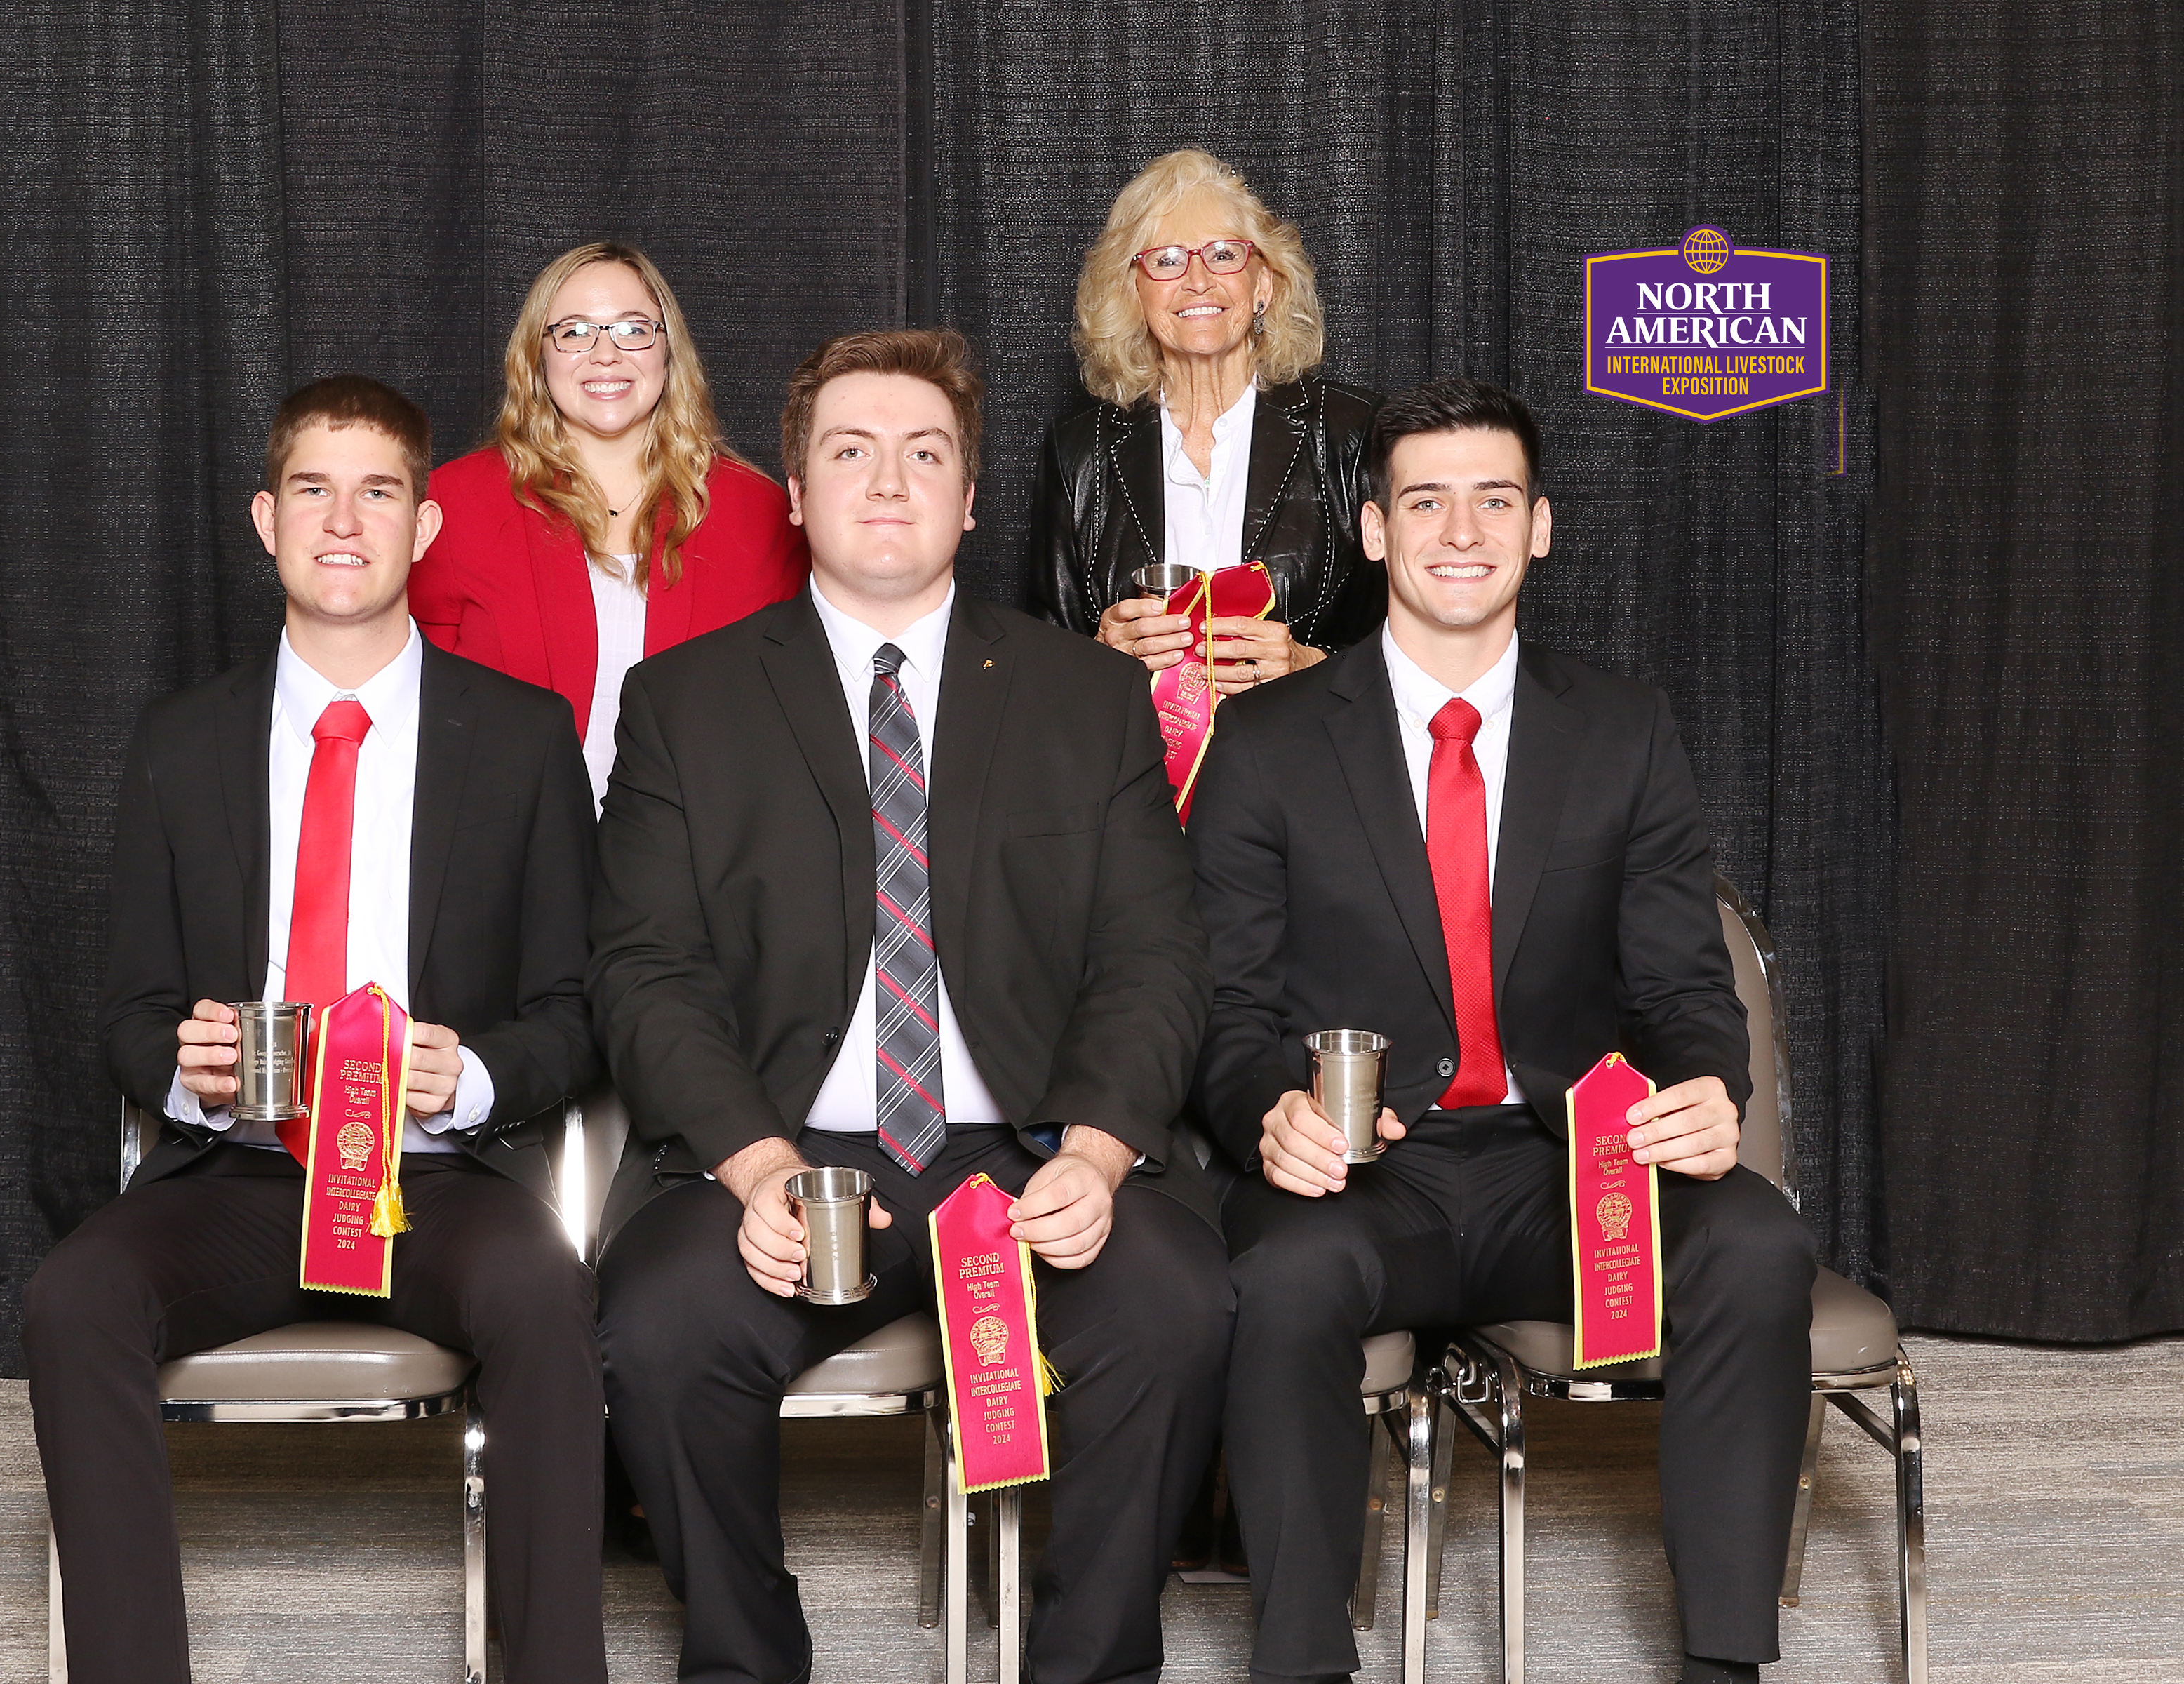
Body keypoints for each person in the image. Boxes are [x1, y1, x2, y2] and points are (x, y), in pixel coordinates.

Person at [591, 328, 1234, 1684]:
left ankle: (1092, 1666)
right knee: (662, 1322)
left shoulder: (1091, 700)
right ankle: (749, 1660)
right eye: (851, 450)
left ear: (972, 499)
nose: (889, 480)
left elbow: (1155, 957)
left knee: (1172, 1300)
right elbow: (646, 970)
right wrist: (756, 1164)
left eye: (925, 453)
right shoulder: (683, 704)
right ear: (796, 493)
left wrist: (1102, 1152)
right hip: (783, 1154)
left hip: (1025, 1154)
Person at [1186, 377, 1816, 1684]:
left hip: (1567, 1175)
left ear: (1541, 528)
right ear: (1373, 532)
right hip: (1368, 1182)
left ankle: (1727, 1663)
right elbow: (1224, 1006)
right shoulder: (1267, 741)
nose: (1459, 529)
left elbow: (1687, 984)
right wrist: (1269, 1111)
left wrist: (1708, 1083)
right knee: (1282, 1277)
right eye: (1425, 500)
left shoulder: (1624, 730)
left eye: (1494, 499)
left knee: (1755, 1240)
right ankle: (1302, 1660)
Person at [25, 376, 607, 1684]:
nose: (344, 521)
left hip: (438, 1181)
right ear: (264, 519)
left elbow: (580, 1019)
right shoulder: (182, 742)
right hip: (241, 1174)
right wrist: (184, 1069)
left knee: (545, 1290)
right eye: (313, 489)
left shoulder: (521, 742)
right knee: (73, 1296)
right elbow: (121, 1016)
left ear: (426, 526)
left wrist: (478, 1077)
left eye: (379, 491)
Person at [410, 241, 808, 806]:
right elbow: (413, 709)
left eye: (632, 329)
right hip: (507, 847)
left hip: (700, 855)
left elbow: (798, 717)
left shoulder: (760, 514)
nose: (604, 355)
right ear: (536, 355)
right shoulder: (453, 503)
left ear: (668, 349)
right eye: (573, 332)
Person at [1031, 148, 1384, 700]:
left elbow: (1422, 643)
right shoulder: (1078, 452)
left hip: (1307, 770)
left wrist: (1311, 664)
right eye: (1167, 260)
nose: (1197, 280)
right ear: (1134, 292)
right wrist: (1099, 658)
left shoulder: (1355, 433)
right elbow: (1038, 669)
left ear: (1263, 285)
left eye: (1224, 254)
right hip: (1140, 777)